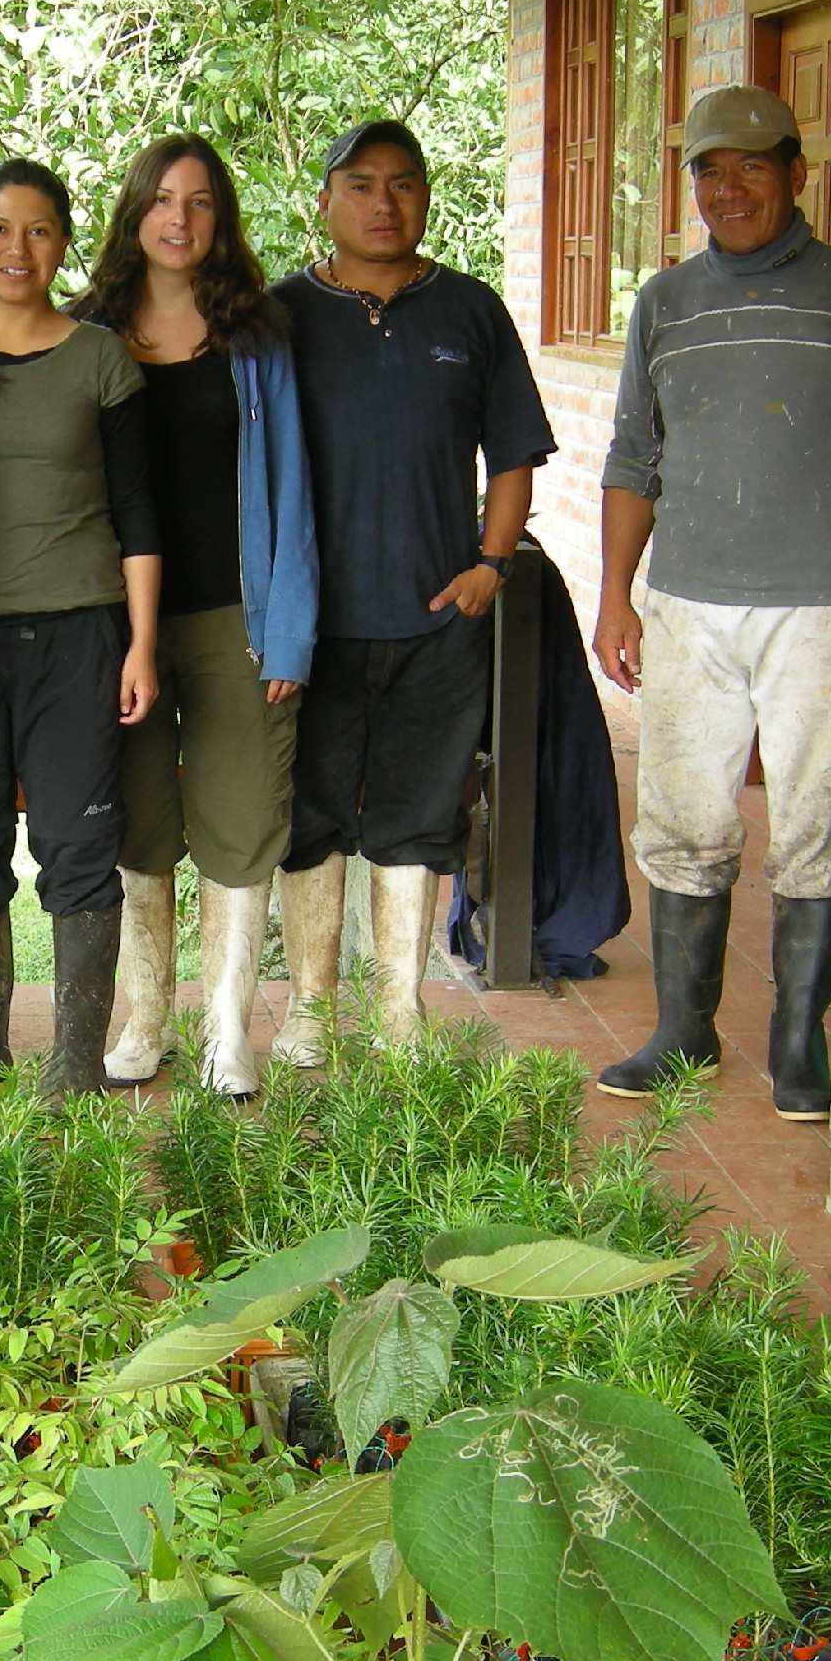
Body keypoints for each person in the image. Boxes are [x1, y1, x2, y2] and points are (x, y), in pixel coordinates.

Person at [589, 84, 831, 1118]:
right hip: (690, 606)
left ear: (799, 171)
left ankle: (800, 1043)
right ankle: (682, 1032)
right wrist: (617, 597)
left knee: (815, 823)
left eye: (752, 164)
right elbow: (631, 459)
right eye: (709, 167)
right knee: (684, 819)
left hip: (823, 608)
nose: (729, 187)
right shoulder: (664, 304)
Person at [271, 119, 554, 1055]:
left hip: (438, 622)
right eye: (360, 184)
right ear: (325, 199)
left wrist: (490, 565)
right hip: (309, 629)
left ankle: (399, 1015)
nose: (382, 204)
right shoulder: (280, 317)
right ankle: (310, 1018)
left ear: (425, 196)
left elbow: (514, 454)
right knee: (307, 821)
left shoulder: (469, 312)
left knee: (420, 821)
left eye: (402, 184)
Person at [0, 160, 161, 1107]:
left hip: (77, 634)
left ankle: (74, 1063)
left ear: (64, 243)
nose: (20, 250)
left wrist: (139, 645)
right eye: (0, 229)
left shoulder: (99, 358)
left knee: (77, 842)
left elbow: (140, 513)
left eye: (42, 230)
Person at [74, 132, 319, 1098]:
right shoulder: (84, 331)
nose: (180, 218)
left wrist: (292, 627)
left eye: (202, 201)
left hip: (236, 612)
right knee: (138, 818)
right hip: (114, 619)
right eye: (164, 198)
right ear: (136, 210)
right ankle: (147, 1016)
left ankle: (227, 1024)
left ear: (221, 222)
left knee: (243, 813)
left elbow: (294, 488)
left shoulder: (256, 337)